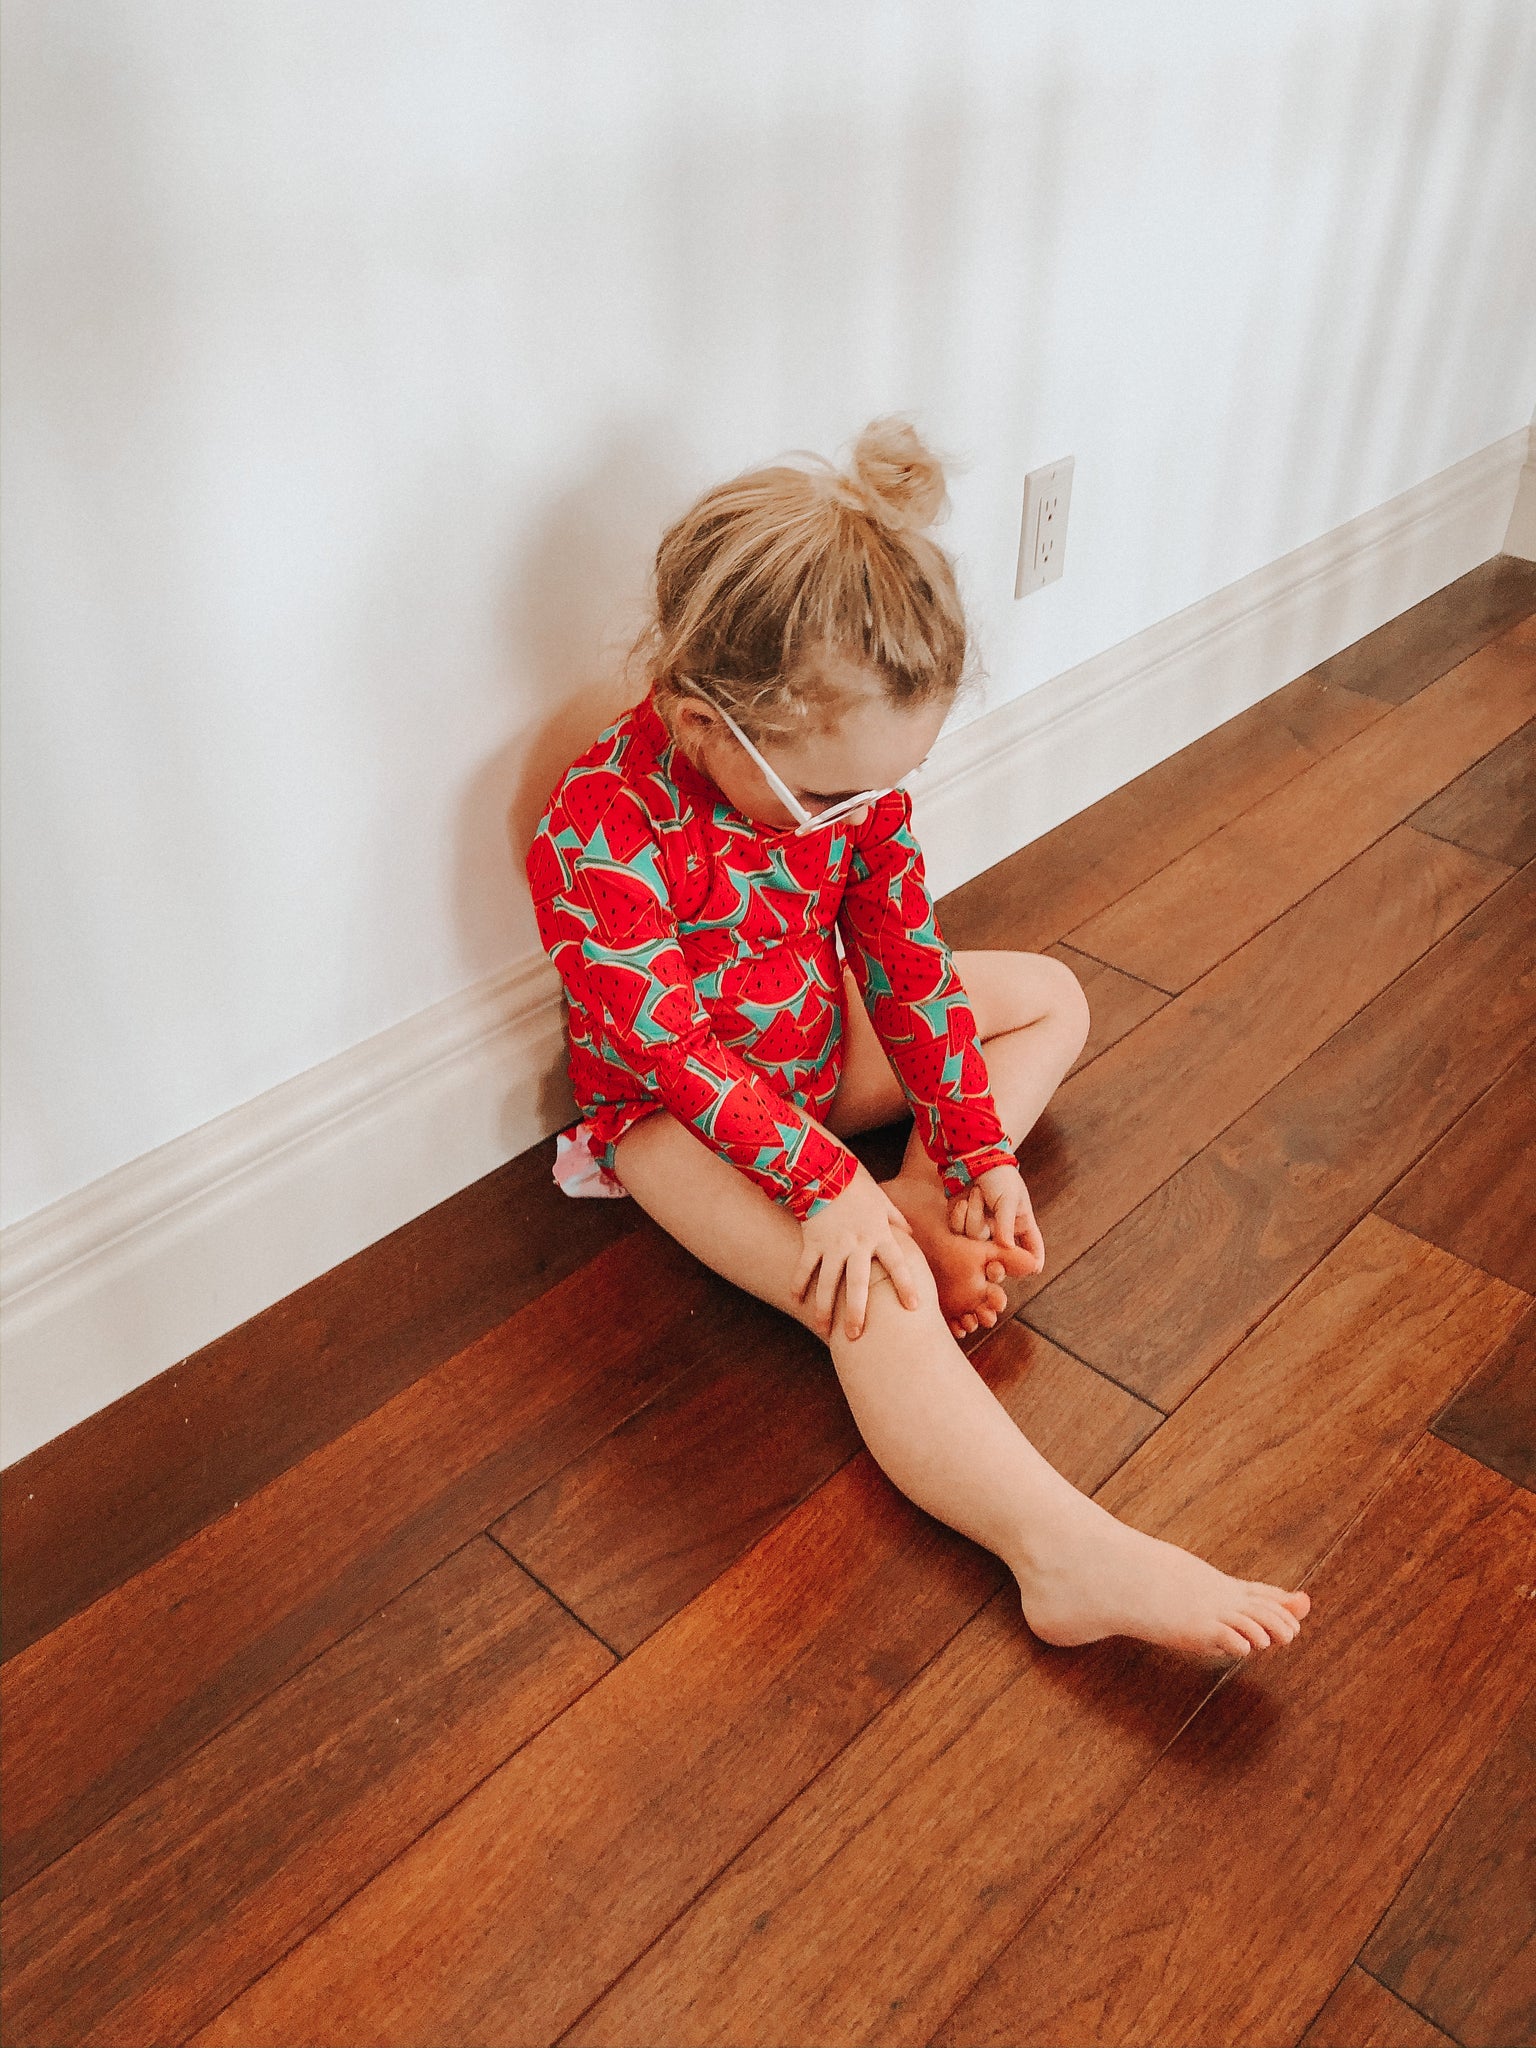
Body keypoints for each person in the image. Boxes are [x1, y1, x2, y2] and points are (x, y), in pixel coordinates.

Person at [526, 416, 1310, 1662]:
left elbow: (902, 957)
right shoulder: (594, 832)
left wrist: (970, 1144)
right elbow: (668, 1045)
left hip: (811, 1054)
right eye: (834, 797)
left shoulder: (854, 789)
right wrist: (826, 1187)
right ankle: (1058, 1548)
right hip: (677, 1120)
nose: (864, 814)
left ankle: (913, 1191)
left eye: (888, 787)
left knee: (1054, 993)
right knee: (872, 1289)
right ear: (700, 725)